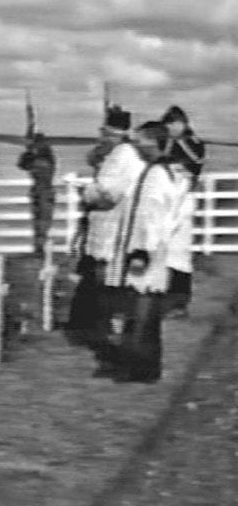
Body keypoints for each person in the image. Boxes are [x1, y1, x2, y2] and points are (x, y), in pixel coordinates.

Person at [64, 105, 147, 376]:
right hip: (113, 233)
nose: (102, 137)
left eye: (105, 132)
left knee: (113, 293)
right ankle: (112, 344)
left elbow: (108, 194)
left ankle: (118, 351)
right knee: (110, 292)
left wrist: (86, 191)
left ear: (115, 134)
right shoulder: (124, 155)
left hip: (114, 233)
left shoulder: (123, 157)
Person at [105, 121, 189, 382]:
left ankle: (142, 368)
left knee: (143, 309)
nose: (136, 145)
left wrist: (142, 251)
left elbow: (154, 216)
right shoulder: (158, 171)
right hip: (147, 249)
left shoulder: (158, 175)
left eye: (140, 140)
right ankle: (140, 365)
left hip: (146, 251)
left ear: (152, 142)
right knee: (141, 308)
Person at [159, 105, 205, 315]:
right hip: (165, 199)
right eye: (168, 123)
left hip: (183, 198)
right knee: (160, 250)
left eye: (175, 123)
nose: (172, 127)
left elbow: (196, 162)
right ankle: (163, 295)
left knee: (179, 252)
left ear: (183, 123)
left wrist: (177, 143)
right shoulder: (163, 142)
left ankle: (179, 302)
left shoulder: (193, 142)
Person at [17, 132, 56, 257]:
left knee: (42, 222)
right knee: (38, 222)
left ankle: (41, 248)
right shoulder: (39, 156)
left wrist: (30, 152)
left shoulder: (44, 158)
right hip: (39, 190)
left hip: (44, 191)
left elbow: (29, 165)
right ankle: (38, 247)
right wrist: (29, 152)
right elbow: (22, 165)